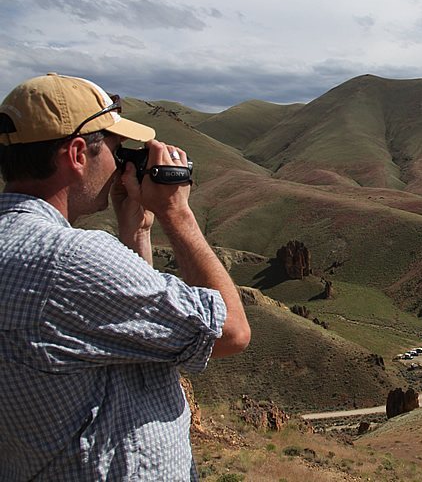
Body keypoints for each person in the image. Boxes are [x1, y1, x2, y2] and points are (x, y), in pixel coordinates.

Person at [0, 73, 250, 480]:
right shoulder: (72, 258)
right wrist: (178, 214)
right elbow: (231, 331)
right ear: (78, 154)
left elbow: (116, 330)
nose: (120, 166)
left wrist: (135, 232)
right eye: (116, 150)